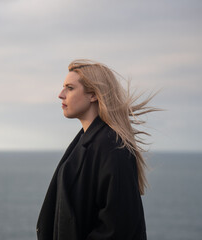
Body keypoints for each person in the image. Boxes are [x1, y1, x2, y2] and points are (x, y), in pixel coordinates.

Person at [36, 59, 159, 240]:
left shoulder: (112, 146)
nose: (60, 95)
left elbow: (118, 228)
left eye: (70, 88)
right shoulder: (87, 141)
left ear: (93, 94)